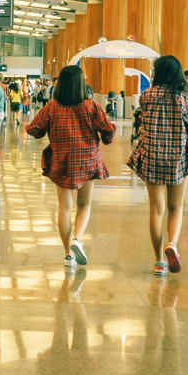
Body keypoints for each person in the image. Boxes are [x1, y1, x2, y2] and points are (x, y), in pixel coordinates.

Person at [28, 64, 114, 268]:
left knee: (64, 208)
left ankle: (68, 254)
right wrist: (106, 136)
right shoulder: (91, 106)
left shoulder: (52, 106)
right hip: (88, 160)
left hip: (62, 160)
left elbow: (34, 129)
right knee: (84, 204)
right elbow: (108, 130)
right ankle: (78, 238)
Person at [128, 55, 188, 276]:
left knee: (156, 210)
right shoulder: (184, 98)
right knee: (176, 208)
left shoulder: (147, 96)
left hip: (152, 156)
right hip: (177, 158)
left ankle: (159, 261)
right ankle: (171, 243)